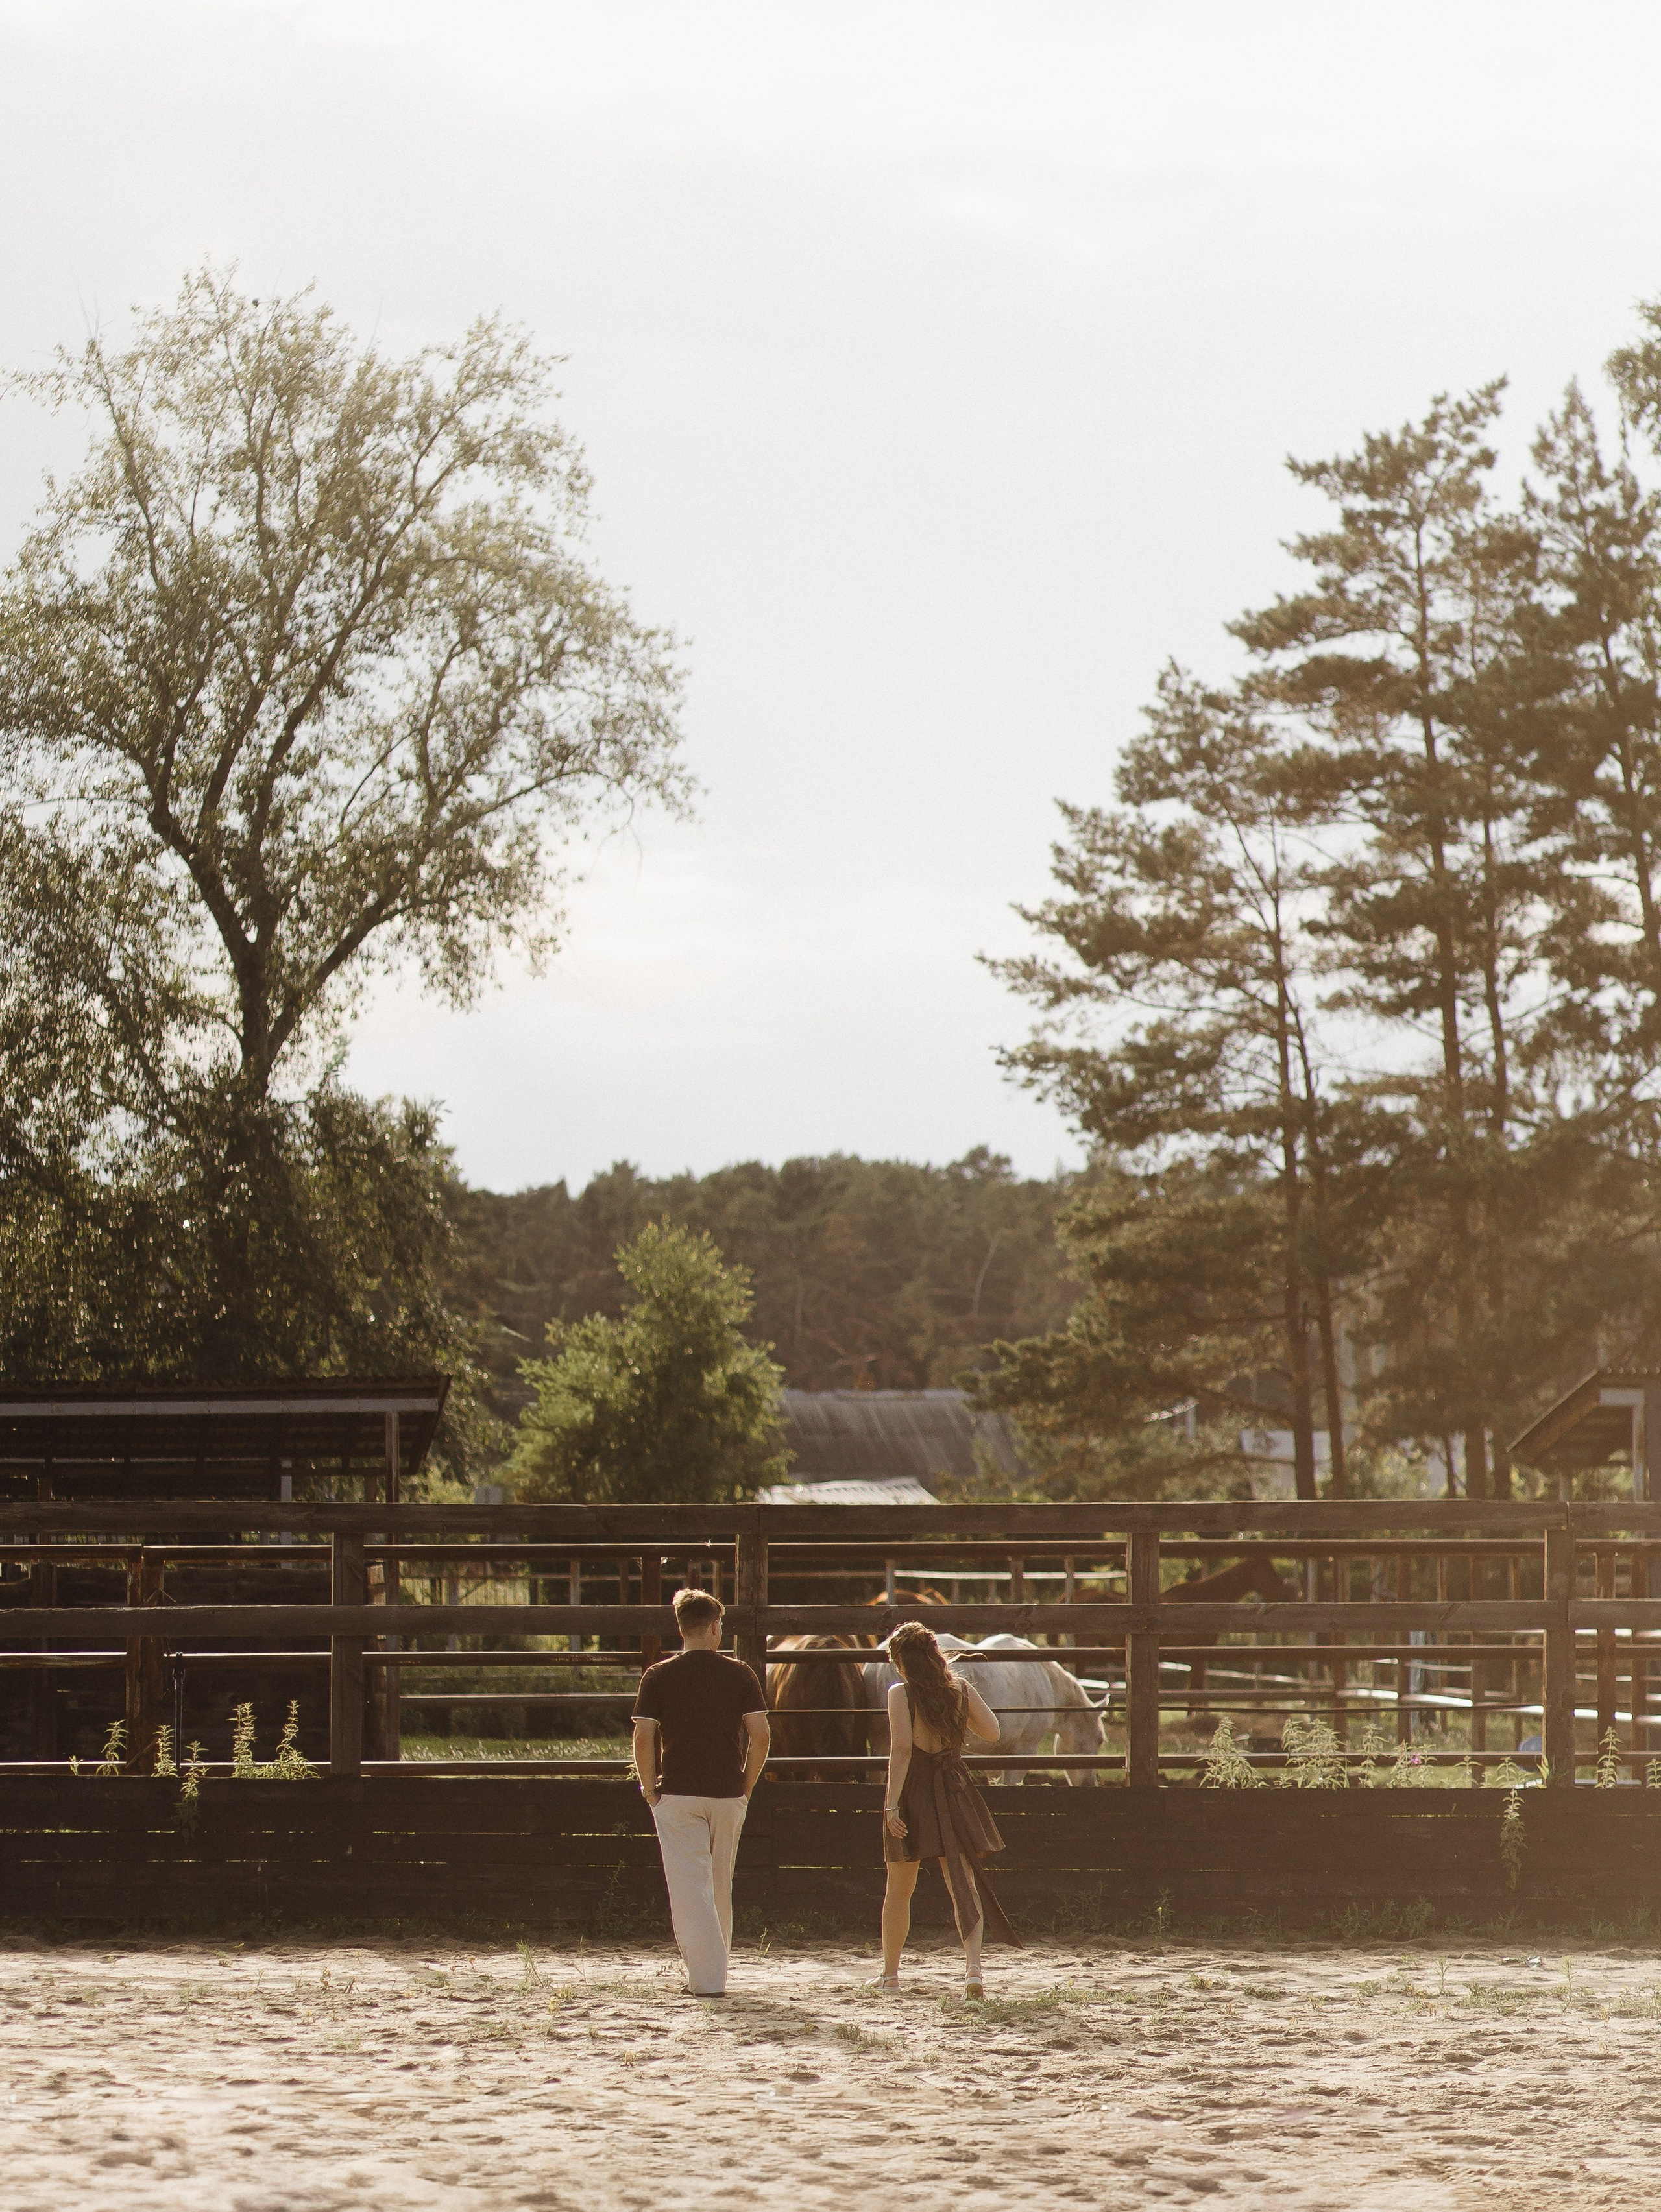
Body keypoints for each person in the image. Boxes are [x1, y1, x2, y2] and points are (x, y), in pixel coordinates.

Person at [632, 1587, 770, 1997]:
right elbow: (761, 1735)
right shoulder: (740, 1672)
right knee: (719, 1883)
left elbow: (644, 1735)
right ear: (713, 1627)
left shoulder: (657, 1675)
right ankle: (713, 1973)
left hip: (677, 1794)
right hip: (728, 1793)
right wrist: (746, 1785)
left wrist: (648, 1786)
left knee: (690, 1885)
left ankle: (707, 1979)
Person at [878, 1620, 1020, 1997]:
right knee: (963, 1882)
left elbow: (903, 1750)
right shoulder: (960, 1689)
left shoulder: (899, 1694)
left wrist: (891, 1803)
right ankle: (973, 1969)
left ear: (901, 1661)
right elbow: (993, 1733)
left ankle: (891, 1974)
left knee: (899, 1888)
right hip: (955, 1786)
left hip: (915, 1791)